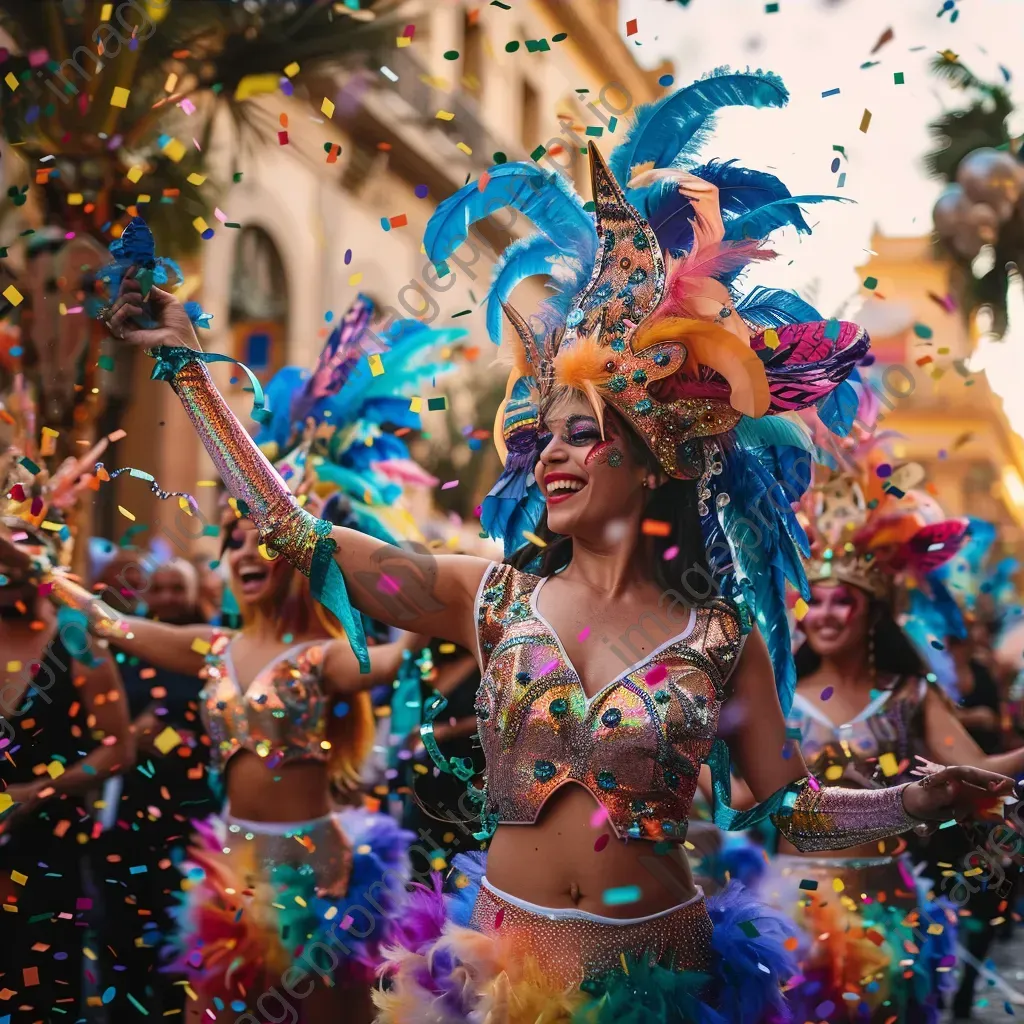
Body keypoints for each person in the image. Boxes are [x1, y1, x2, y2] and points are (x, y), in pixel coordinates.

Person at [101, 70, 1016, 1023]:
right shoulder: (488, 597)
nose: (549, 458)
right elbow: (300, 533)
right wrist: (185, 365)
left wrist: (912, 804)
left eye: (583, 432)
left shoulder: (720, 637)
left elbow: (782, 811)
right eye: (546, 436)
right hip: (500, 977)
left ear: (656, 451)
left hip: (661, 986)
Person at [70, 281, 472, 1023]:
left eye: (261, 540)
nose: (245, 553)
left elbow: (383, 666)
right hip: (230, 874)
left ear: (290, 558)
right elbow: (109, 624)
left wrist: (432, 601)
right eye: (229, 542)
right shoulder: (212, 647)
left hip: (315, 881)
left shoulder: (320, 659)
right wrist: (41, 570)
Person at [775, 446, 1024, 1024]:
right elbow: (741, 790)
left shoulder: (909, 694)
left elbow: (977, 765)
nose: (827, 615)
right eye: (817, 601)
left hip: (885, 907)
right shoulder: (777, 698)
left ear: (873, 612)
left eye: (845, 601)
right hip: (787, 907)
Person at [1, 444, 135, 1024]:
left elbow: (119, 747)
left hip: (45, 849)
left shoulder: (75, 638)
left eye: (22, 553)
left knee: (38, 994)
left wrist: (38, 794)